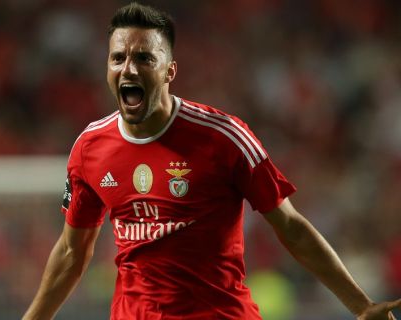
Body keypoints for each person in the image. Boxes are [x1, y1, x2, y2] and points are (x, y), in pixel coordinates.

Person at [23, 2, 401, 319]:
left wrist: (360, 305)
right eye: (118, 57)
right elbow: (73, 250)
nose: (129, 69)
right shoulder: (90, 147)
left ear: (169, 71)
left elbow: (291, 226)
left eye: (144, 58)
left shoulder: (224, 136)